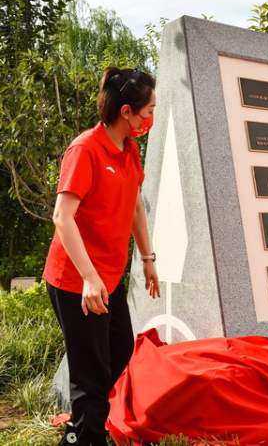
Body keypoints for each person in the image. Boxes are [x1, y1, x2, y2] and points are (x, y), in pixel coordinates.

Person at [43, 67, 161, 446]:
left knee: (121, 351)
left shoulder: (130, 150)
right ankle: (86, 435)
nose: (150, 118)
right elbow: (63, 216)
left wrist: (147, 258)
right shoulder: (85, 149)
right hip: (77, 281)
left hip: (108, 278)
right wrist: (90, 278)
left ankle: (80, 429)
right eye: (148, 111)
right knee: (91, 374)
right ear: (127, 112)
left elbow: (136, 208)